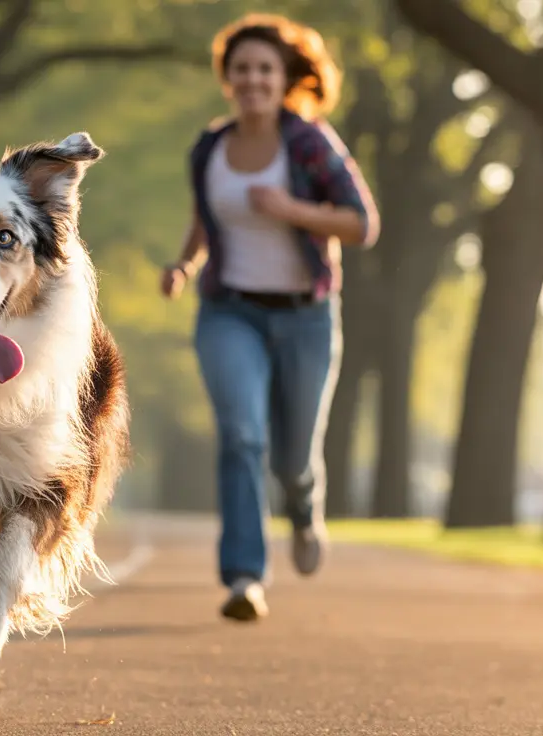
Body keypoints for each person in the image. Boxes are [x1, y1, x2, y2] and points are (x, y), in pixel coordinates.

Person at [160, 13, 379, 622]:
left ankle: (305, 509)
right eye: (241, 70)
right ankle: (244, 577)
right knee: (243, 437)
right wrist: (182, 265)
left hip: (306, 316)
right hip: (230, 312)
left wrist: (291, 208)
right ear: (227, 80)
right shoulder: (210, 148)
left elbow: (363, 223)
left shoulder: (309, 143)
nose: (252, 79)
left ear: (284, 79)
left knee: (292, 459)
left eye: (264, 69)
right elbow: (206, 218)